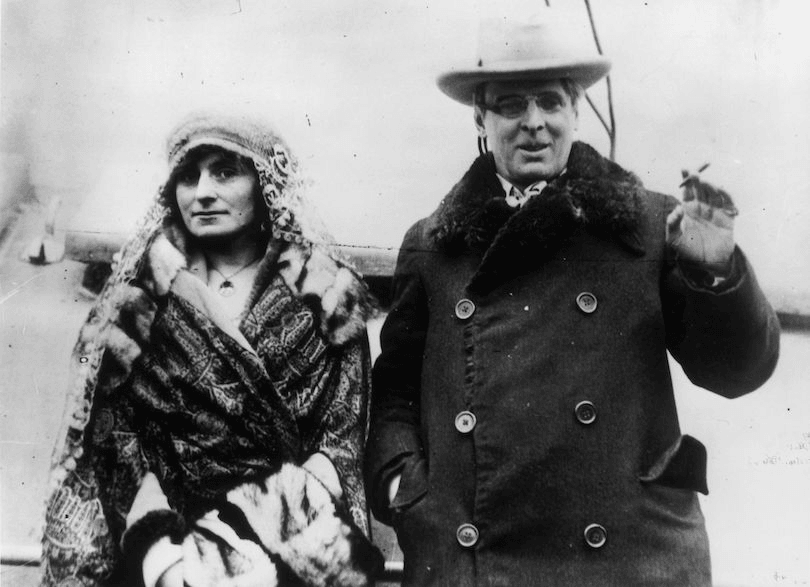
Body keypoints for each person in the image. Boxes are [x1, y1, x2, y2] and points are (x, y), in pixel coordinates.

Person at [364, 12, 780, 587]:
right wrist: (405, 490)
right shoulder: (434, 245)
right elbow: (394, 395)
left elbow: (737, 371)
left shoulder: (650, 224)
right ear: (481, 118)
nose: (535, 123)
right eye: (512, 105)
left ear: (576, 112)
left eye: (551, 102)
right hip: (471, 556)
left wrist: (715, 272)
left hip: (626, 557)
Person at [42, 112, 382, 586]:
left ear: (265, 184)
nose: (202, 191)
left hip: (287, 554)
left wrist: (247, 547)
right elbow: (107, 438)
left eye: (225, 172)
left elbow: (340, 441)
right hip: (162, 556)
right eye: (187, 176)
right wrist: (165, 555)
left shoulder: (328, 302)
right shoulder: (135, 301)